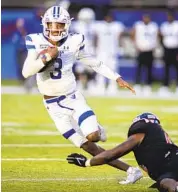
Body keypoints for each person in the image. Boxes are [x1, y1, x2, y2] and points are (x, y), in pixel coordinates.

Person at [22, 6, 142, 184]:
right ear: (44, 24)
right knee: (88, 146)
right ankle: (132, 171)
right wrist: (46, 58)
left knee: (92, 136)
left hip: (73, 98)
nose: (55, 29)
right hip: (52, 107)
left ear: (67, 25)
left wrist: (116, 77)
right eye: (52, 24)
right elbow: (26, 72)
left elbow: (94, 62)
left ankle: (98, 130)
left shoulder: (74, 41)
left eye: (60, 24)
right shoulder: (35, 40)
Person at [94, 12, 125, 95]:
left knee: (113, 69)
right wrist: (95, 47)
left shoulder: (117, 26)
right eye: (107, 17)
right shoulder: (99, 26)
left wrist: (121, 47)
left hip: (112, 52)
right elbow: (96, 37)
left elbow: (120, 37)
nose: (108, 18)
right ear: (104, 17)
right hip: (101, 51)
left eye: (110, 17)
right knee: (100, 69)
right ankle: (100, 86)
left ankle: (112, 87)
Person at [131, 14, 159, 96]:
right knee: (139, 69)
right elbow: (132, 34)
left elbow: (158, 36)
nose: (146, 19)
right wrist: (135, 45)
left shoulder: (153, 26)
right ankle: (137, 85)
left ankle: (148, 86)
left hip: (150, 50)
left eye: (147, 18)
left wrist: (155, 45)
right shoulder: (138, 25)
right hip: (141, 50)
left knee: (149, 69)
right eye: (145, 17)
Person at [71, 8, 97, 93]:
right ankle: (79, 83)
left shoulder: (94, 26)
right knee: (80, 68)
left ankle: (90, 83)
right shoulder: (76, 26)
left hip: (90, 49)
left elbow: (95, 38)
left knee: (91, 68)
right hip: (80, 49)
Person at [159, 11, 178, 96]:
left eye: (170, 16)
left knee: (177, 69)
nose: (169, 18)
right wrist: (162, 49)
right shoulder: (164, 25)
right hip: (167, 49)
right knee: (166, 69)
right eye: (168, 16)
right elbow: (162, 38)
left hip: (176, 49)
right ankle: (165, 86)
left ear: (173, 17)